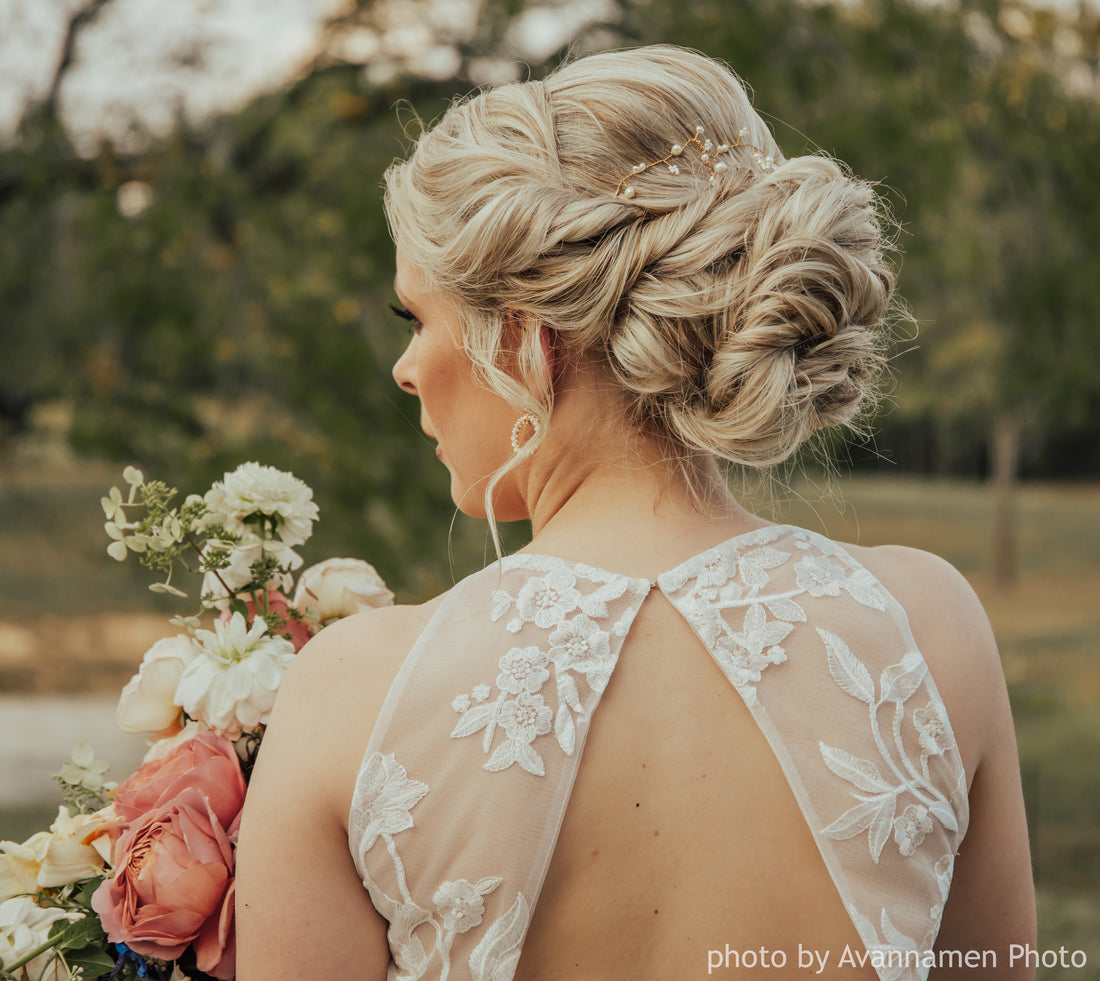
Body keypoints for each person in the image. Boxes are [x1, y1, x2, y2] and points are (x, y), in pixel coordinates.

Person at [235, 44, 1036, 980]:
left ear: (529, 345)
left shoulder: (348, 695)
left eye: (417, 317)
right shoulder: (931, 629)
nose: (406, 368)